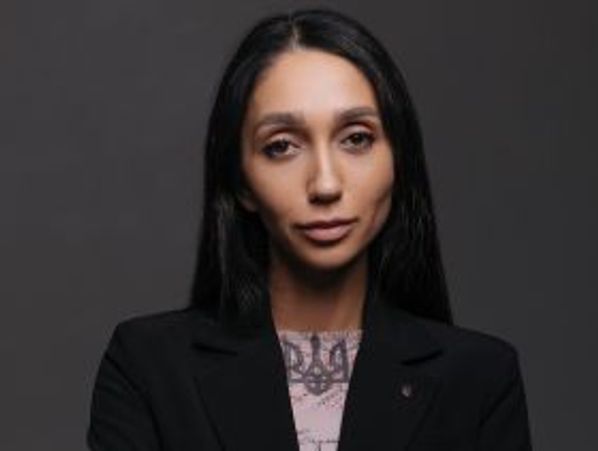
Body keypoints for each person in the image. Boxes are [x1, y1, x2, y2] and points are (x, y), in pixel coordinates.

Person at [87, 7, 533, 451]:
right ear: (241, 181)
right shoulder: (149, 368)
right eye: (282, 146)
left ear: (398, 161)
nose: (325, 185)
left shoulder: (480, 379)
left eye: (356, 138)